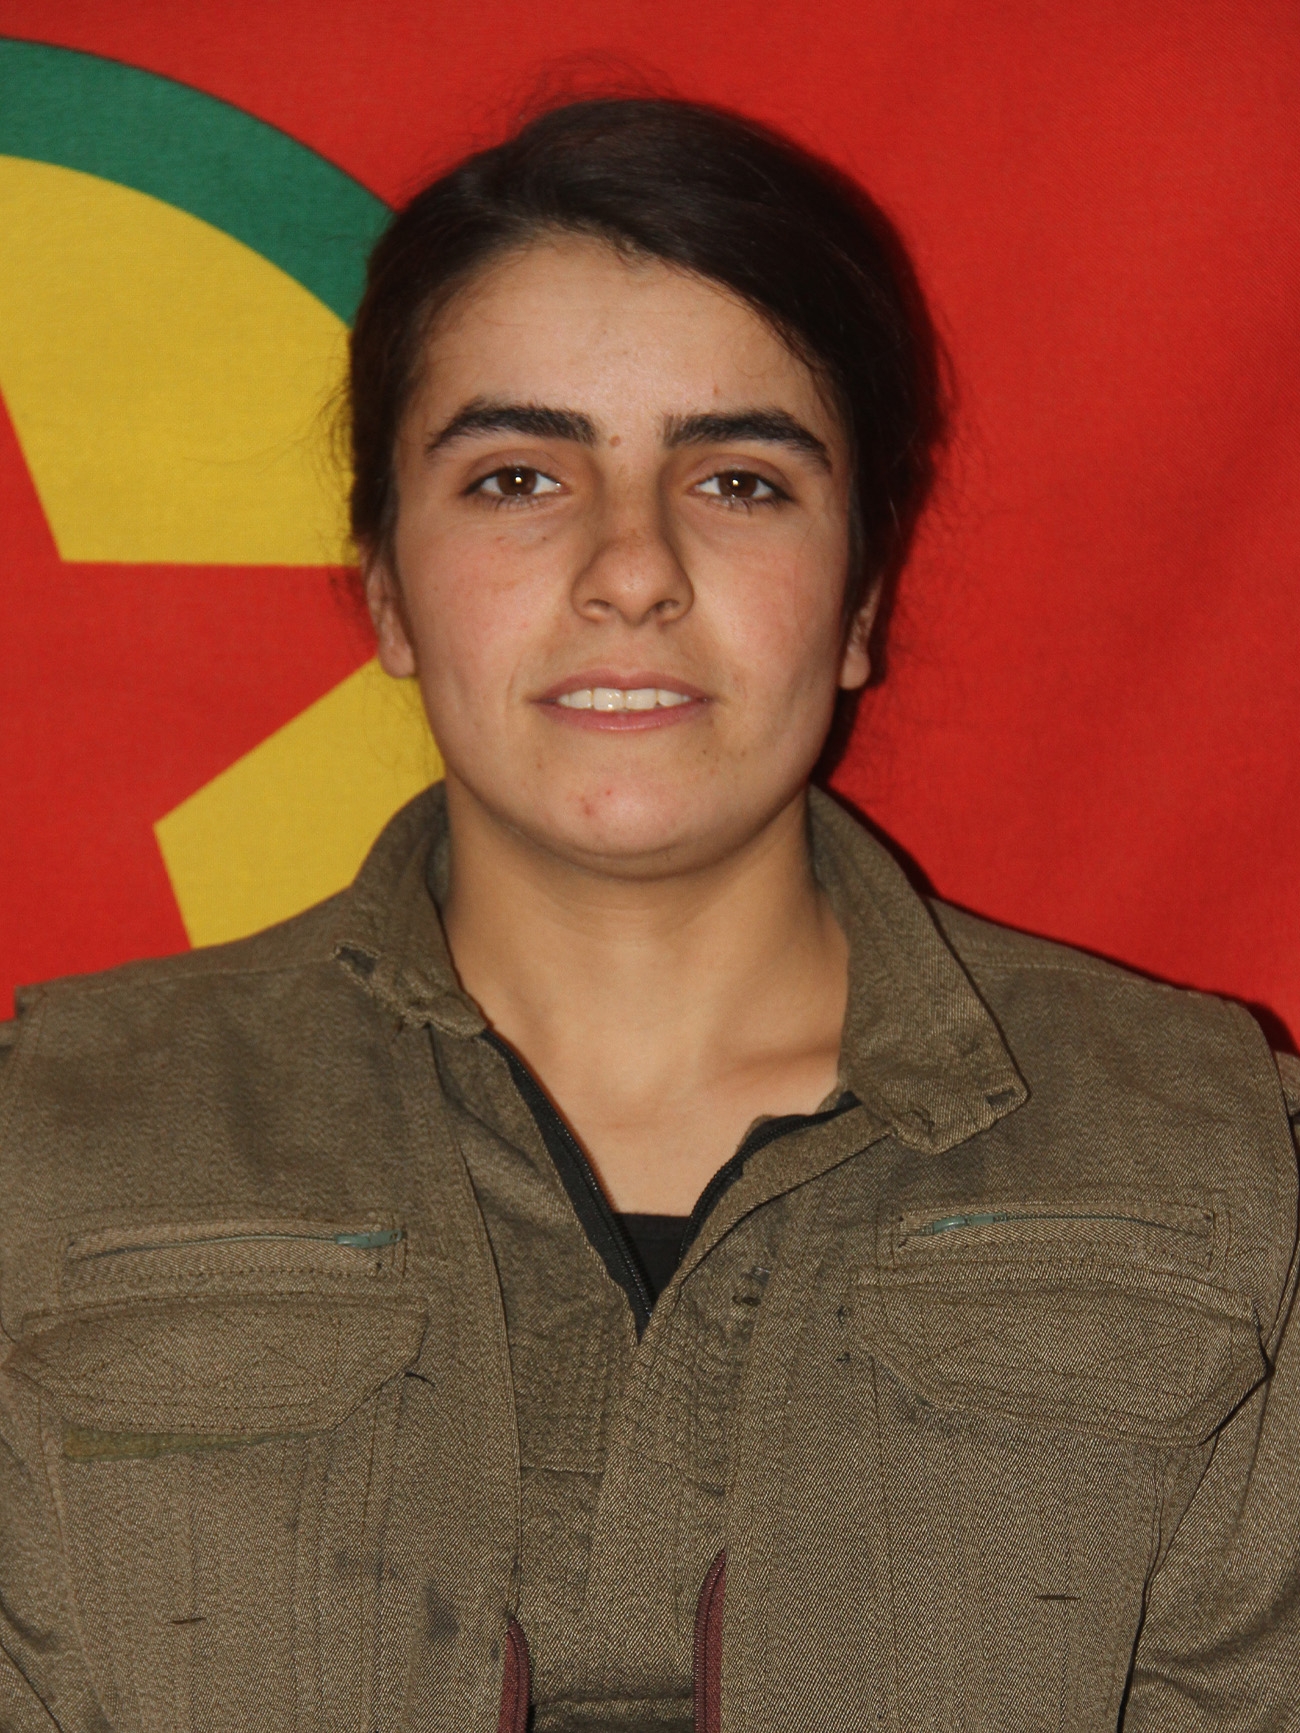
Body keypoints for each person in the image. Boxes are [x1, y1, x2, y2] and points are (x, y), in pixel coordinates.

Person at [1, 96, 1297, 1733]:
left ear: (860, 597)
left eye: (740, 479)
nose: (632, 568)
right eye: (518, 476)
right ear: (387, 586)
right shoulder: (51, 1150)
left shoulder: (1212, 1157)